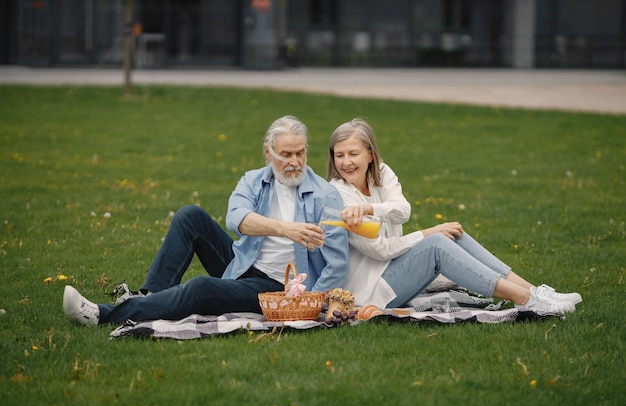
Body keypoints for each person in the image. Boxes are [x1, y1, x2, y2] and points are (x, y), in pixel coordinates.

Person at [63, 115, 350, 327]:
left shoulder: (325, 197)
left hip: (277, 288)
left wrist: (307, 303)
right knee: (191, 216)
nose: (295, 162)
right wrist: (286, 229)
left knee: (201, 288)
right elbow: (235, 219)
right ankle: (150, 298)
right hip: (242, 263)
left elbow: (337, 264)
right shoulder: (253, 181)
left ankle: (101, 315)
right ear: (268, 153)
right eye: (285, 154)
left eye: (300, 153)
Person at [326, 118, 582, 314]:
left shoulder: (381, 172)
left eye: (353, 154)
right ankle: (526, 300)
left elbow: (403, 211)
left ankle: (535, 291)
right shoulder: (338, 194)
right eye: (340, 155)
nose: (346, 162)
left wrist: (372, 209)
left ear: (370, 154)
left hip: (393, 271)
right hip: (373, 292)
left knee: (452, 233)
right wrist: (427, 233)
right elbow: (380, 250)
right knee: (437, 242)